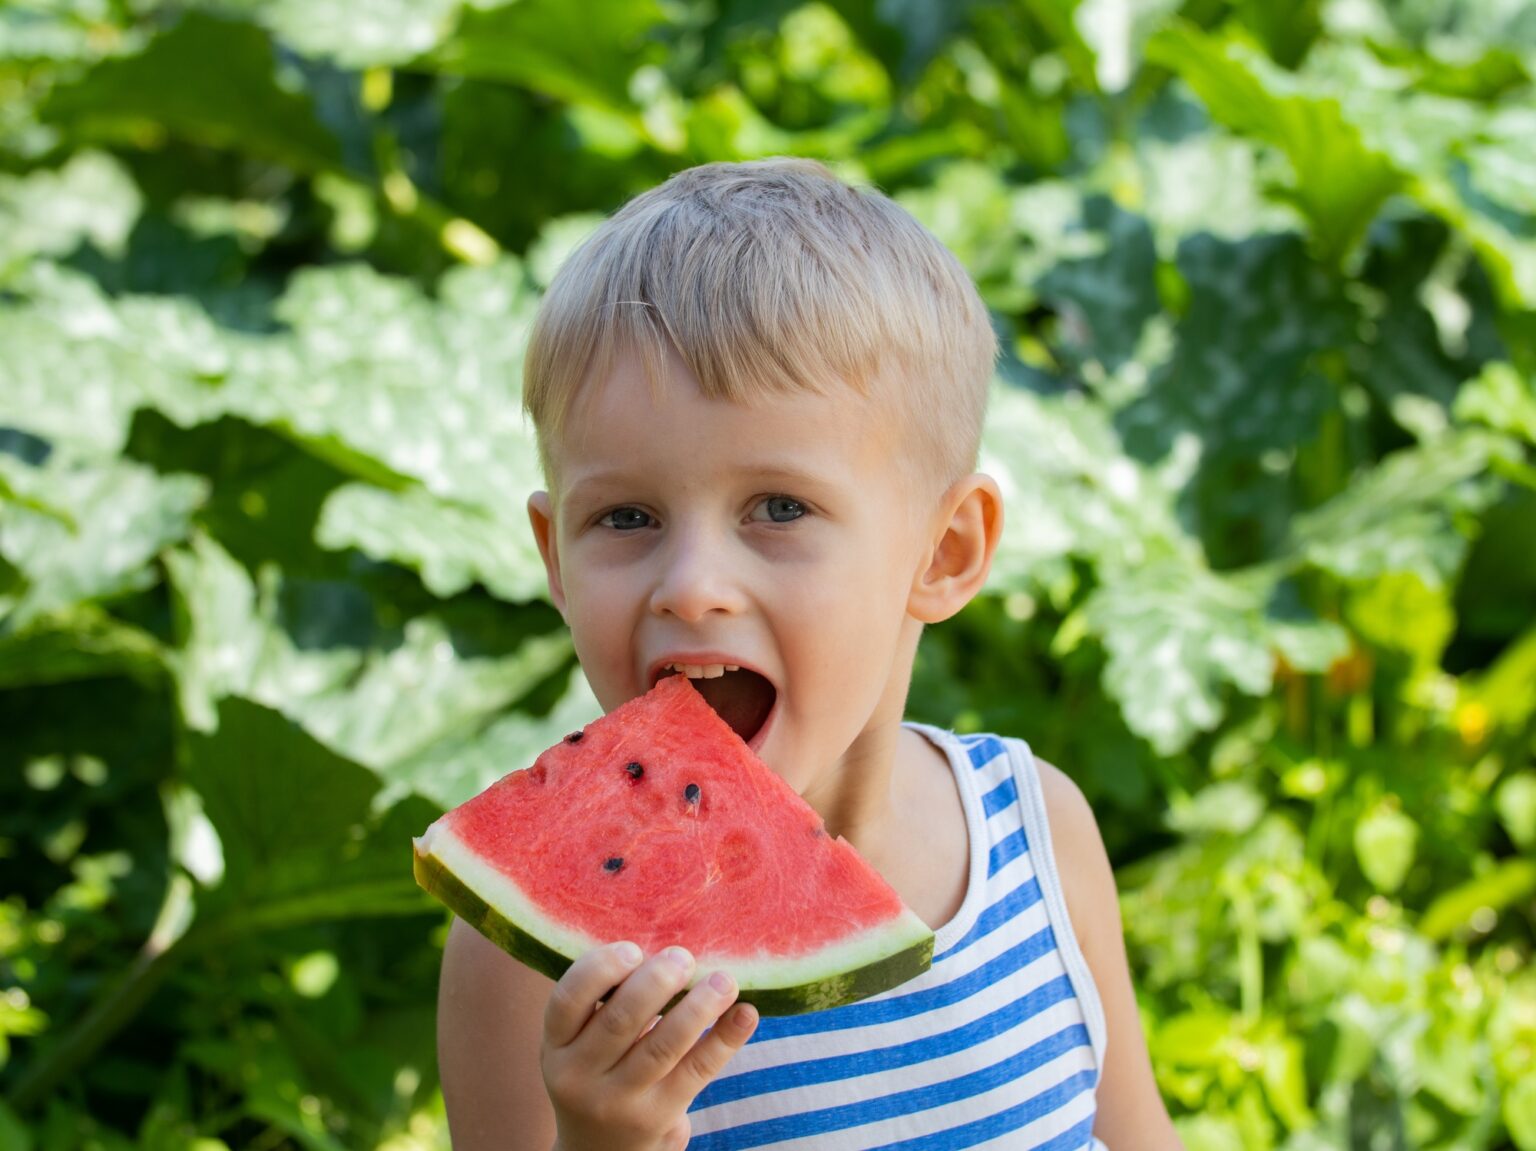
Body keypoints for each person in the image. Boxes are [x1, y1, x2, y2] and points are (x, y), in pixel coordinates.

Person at [436, 157, 1183, 1151]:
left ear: (945, 551)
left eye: (779, 508)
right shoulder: (525, 964)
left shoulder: (1037, 830)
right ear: (555, 561)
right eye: (625, 515)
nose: (691, 581)